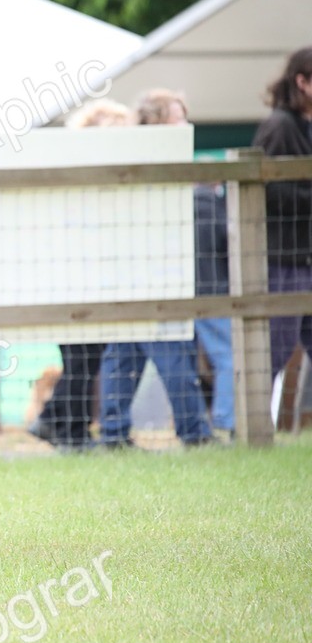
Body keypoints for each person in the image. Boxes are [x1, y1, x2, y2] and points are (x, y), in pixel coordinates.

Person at [91, 92, 217, 450]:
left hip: (151, 273)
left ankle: (114, 434)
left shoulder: (159, 161)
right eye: (178, 118)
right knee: (171, 350)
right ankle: (194, 433)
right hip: (148, 274)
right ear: (157, 123)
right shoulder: (143, 161)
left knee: (124, 354)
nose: (186, 126)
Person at [29, 100, 136, 451]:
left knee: (86, 356)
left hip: (93, 278)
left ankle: (54, 423)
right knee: (81, 356)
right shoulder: (75, 176)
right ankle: (69, 434)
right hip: (71, 279)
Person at [138, 89, 234, 438]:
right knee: (218, 357)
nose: (186, 125)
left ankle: (207, 428)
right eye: (178, 117)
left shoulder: (187, 180)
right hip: (177, 287)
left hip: (193, 285)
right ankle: (219, 425)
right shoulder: (146, 172)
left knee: (179, 359)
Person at [251, 46, 312, 389]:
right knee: (276, 347)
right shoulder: (280, 127)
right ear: (301, 81)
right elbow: (270, 192)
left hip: (305, 253)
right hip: (285, 258)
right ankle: (247, 425)